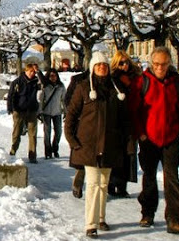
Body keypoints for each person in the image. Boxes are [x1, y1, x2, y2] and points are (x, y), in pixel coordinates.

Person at [64, 52, 130, 238]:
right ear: (92, 68)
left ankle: (101, 218)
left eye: (105, 65)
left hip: (110, 144)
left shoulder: (116, 89)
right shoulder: (84, 88)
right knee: (93, 184)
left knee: (104, 183)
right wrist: (72, 140)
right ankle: (90, 224)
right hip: (88, 144)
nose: (102, 67)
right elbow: (71, 115)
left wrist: (127, 141)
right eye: (98, 65)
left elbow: (124, 119)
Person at [129, 47, 179, 235]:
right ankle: (147, 212)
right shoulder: (142, 82)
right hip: (149, 138)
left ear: (169, 63)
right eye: (156, 64)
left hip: (170, 137)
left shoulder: (177, 83)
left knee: (172, 178)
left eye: (164, 64)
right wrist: (140, 133)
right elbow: (134, 110)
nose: (160, 68)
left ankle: (175, 219)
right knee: (149, 177)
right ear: (151, 63)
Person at [108, 50, 141, 198]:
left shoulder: (136, 78)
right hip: (116, 120)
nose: (125, 65)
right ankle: (111, 183)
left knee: (129, 154)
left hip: (132, 119)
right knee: (115, 153)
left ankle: (122, 185)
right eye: (121, 62)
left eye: (127, 62)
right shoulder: (112, 79)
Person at [6, 63, 40, 164]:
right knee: (17, 133)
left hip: (32, 110)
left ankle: (32, 155)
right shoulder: (17, 82)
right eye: (31, 71)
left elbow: (45, 83)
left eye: (34, 72)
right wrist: (10, 108)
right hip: (19, 110)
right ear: (26, 71)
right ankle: (13, 151)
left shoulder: (36, 81)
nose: (32, 74)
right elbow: (10, 95)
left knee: (32, 134)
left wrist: (39, 72)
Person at [65, 68, 89, 198]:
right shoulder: (78, 80)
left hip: (100, 127)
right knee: (83, 160)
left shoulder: (109, 82)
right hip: (82, 125)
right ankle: (78, 184)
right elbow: (68, 101)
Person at [39, 68, 65, 159]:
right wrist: (40, 111)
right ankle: (48, 151)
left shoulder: (61, 86)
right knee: (47, 133)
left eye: (55, 76)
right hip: (46, 112)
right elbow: (41, 99)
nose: (53, 78)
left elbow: (64, 100)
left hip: (57, 112)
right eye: (51, 76)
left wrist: (66, 111)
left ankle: (55, 148)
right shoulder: (45, 86)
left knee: (58, 132)